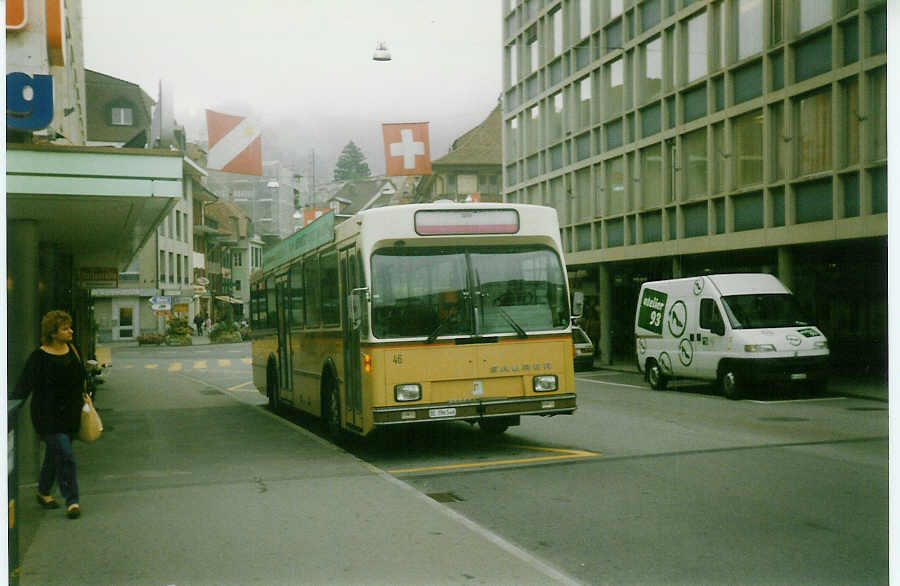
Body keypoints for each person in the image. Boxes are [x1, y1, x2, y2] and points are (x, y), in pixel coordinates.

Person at [11, 310, 86, 519]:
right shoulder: (39, 357)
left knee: (55, 456)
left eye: (70, 327)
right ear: (53, 333)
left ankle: (43, 492)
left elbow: (81, 378)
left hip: (70, 415)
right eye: (65, 328)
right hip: (47, 416)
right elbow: (23, 387)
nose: (71, 331)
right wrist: (10, 408)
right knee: (66, 455)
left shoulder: (73, 350)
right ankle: (72, 501)